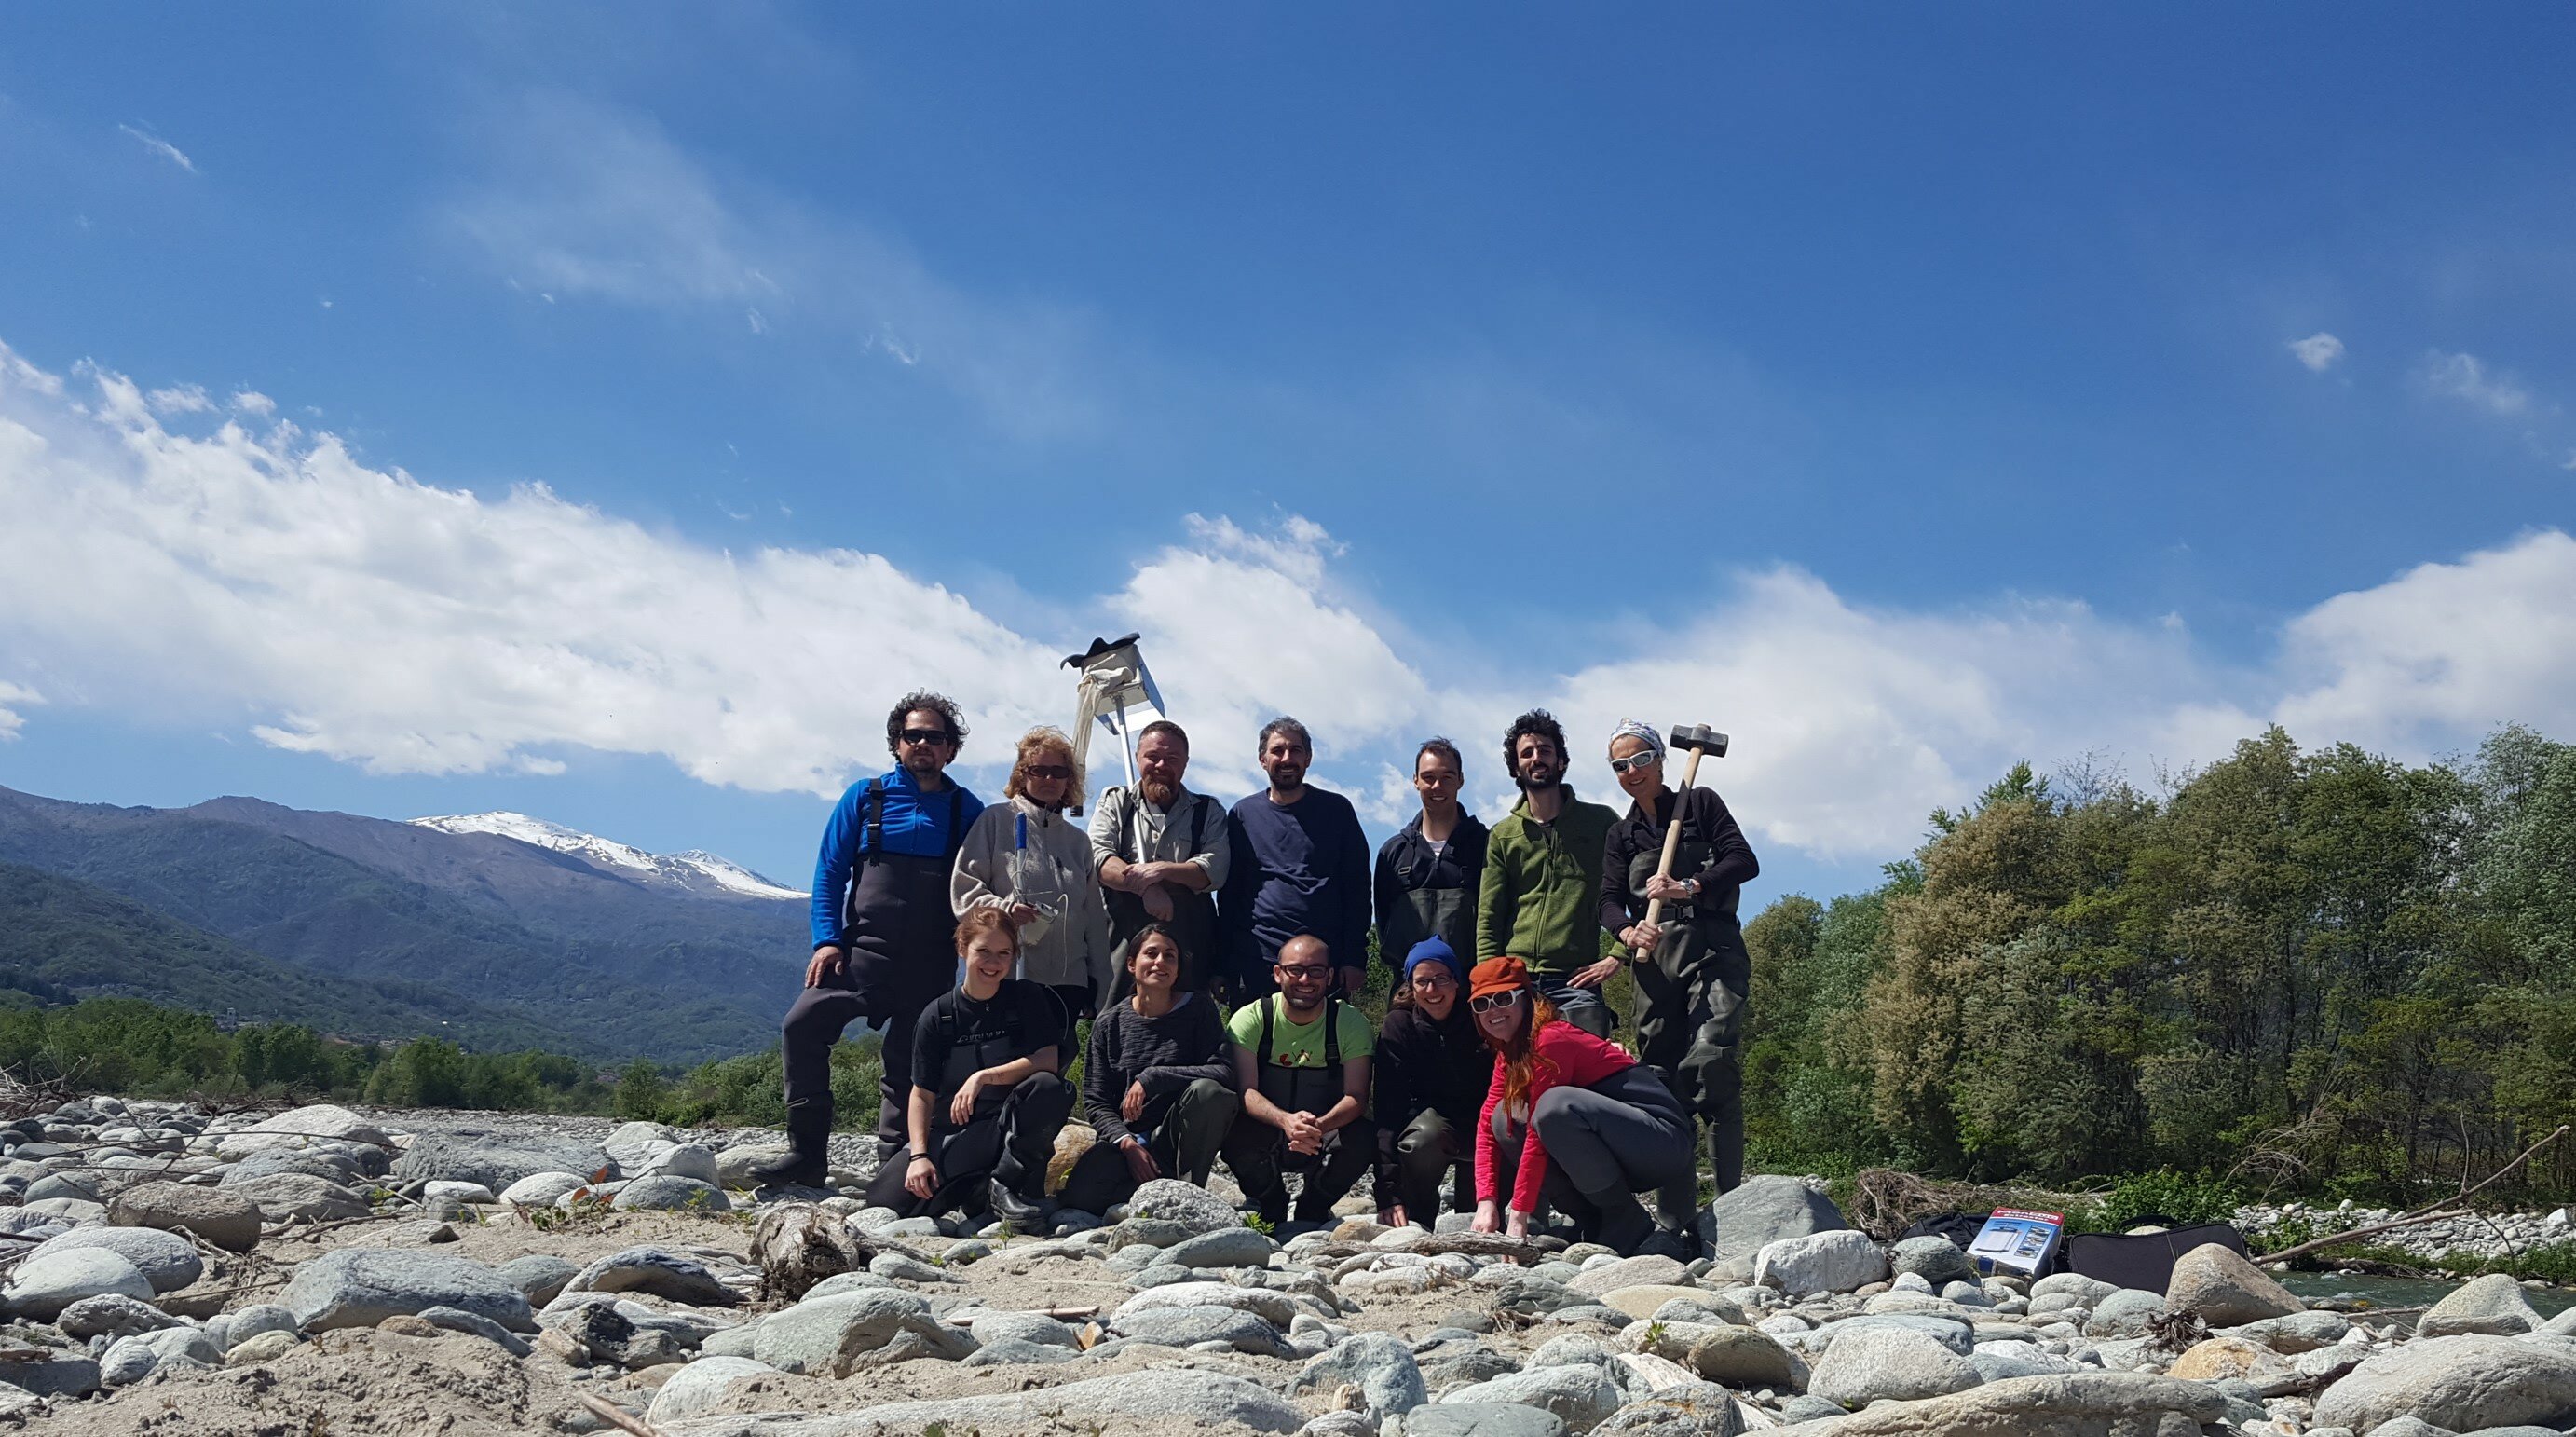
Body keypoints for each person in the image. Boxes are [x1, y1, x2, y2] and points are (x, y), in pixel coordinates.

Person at [753, 692, 986, 1185]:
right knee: (802, 1024)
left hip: (931, 960)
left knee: (911, 1059)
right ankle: (807, 1155)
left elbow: (983, 883)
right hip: (861, 952)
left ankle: (897, 1165)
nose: (922, 743)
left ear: (951, 748)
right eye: (912, 735)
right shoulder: (866, 796)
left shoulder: (968, 809)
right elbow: (830, 872)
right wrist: (826, 941)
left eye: (935, 737)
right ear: (896, 743)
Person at [1599, 718, 1761, 1225]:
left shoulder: (1702, 804)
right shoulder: (1621, 835)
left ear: (1660, 760)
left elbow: (1743, 860)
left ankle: (1730, 1211)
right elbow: (1606, 901)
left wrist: (1689, 885)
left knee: (1711, 1060)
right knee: (1662, 1078)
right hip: (1655, 966)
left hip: (1714, 948)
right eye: (1620, 765)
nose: (1632, 771)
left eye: (1641, 759)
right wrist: (1626, 932)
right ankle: (1677, 1221)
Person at [1466, 955, 1694, 1256]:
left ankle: (1623, 1218)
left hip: (1661, 1141)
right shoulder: (1508, 1056)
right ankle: (1591, 1220)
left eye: (1503, 998)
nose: (1493, 1010)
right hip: (1620, 1145)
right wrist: (1487, 1203)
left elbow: (1539, 1132)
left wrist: (1519, 1215)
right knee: (1502, 1119)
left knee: (1553, 1107)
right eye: (1482, 1004)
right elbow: (1485, 1127)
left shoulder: (1550, 1039)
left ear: (1527, 999)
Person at [863, 908, 1074, 1224]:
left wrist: (983, 1077)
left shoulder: (1026, 998)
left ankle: (1006, 1185)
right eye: (983, 951)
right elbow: (921, 1094)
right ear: (962, 949)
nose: (994, 963)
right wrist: (919, 1155)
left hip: (1010, 1126)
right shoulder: (938, 1016)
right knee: (883, 1202)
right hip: (958, 1131)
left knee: (1050, 1086)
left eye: (1004, 953)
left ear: (1015, 956)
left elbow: (1048, 1060)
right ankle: (975, 1190)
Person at [1056, 923, 1241, 1216]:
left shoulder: (1198, 1010)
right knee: (1081, 1197)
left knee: (1209, 1093)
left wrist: (1153, 1078)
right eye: (1151, 953)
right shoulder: (1110, 1024)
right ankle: (1152, 1190)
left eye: (1170, 956)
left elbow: (1223, 1071)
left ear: (1178, 969)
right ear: (1132, 964)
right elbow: (1096, 1100)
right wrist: (1126, 1143)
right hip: (1131, 1139)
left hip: (1179, 1133)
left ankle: (1189, 1194)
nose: (1160, 962)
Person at [1476, 710, 1620, 1038]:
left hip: (1576, 979)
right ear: (1516, 767)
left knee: (1587, 1076)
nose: (1536, 758)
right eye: (1527, 753)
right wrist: (1493, 980)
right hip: (1516, 982)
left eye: (1545, 750)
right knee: (1519, 1079)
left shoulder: (1601, 824)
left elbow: (1634, 890)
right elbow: (1489, 916)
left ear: (1561, 762)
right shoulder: (1503, 834)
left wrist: (1618, 955)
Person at [953, 727, 1113, 1020]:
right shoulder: (996, 820)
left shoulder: (1079, 843)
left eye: (1058, 771)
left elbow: (1094, 921)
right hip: (1007, 977)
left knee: (1054, 1065)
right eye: (1038, 770)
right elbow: (964, 893)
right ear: (1021, 774)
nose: (1049, 778)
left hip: (1068, 985)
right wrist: (1004, 910)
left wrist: (1099, 984)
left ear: (1070, 779)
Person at [1220, 934, 1377, 1226]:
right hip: (1270, 1130)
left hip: (1323, 1133)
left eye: (1316, 971)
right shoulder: (1250, 1019)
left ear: (1329, 976)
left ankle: (1313, 1206)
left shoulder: (1350, 1023)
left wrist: (1315, 1128)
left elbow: (1356, 1096)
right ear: (1278, 974)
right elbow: (1246, 1090)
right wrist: (1285, 1122)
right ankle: (1270, 1203)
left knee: (1364, 1136)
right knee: (1231, 1132)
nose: (1306, 979)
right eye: (1295, 970)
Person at [1220, 718, 1370, 998]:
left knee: (1325, 1042)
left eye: (1296, 750)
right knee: (1253, 1042)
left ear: (1308, 758)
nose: (1287, 758)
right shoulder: (1242, 815)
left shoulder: (1337, 811)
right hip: (1258, 959)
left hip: (1324, 965)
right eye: (1278, 750)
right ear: (1262, 759)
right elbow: (1230, 895)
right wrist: (1222, 965)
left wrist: (1354, 958)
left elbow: (1357, 887)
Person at [1090, 719, 1231, 1000]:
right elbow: (1098, 858)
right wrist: (1146, 888)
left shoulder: (1209, 811)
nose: (1161, 765)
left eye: (1172, 758)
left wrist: (1161, 871)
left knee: (1188, 1027)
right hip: (1123, 945)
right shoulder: (1115, 802)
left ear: (1185, 763)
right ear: (1137, 758)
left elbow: (1214, 870)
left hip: (1188, 947)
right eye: (1153, 757)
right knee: (1117, 1024)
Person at [1370, 937, 1492, 1229]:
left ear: (1457, 982)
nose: (1432, 990)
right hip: (1434, 1128)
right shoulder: (1399, 1026)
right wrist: (1387, 1193)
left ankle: (1483, 1204)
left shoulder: (1483, 1016)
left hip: (1483, 1129)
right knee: (1422, 1138)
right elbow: (1388, 1108)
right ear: (1410, 986)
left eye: (1441, 979)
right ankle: (1419, 1214)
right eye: (1422, 981)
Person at [1374, 737, 1490, 971]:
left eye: (1447, 777)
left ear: (1461, 780)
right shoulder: (1392, 853)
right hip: (1408, 992)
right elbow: (1384, 926)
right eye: (1428, 777)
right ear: (1415, 781)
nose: (1437, 786)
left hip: (1471, 990)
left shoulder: (1486, 846)